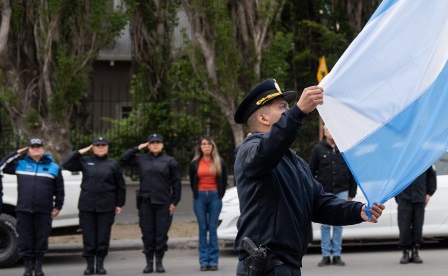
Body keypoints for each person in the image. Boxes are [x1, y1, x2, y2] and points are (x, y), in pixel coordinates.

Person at [233, 78, 385, 276]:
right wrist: (298, 111)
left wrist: (359, 211)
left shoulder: (293, 161)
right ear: (263, 118)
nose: (288, 111)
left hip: (289, 266)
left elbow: (318, 203)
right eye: (282, 107)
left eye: (289, 107)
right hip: (265, 267)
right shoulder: (249, 150)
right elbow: (266, 151)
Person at [63, 136, 126, 275]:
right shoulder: (85, 161)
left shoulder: (113, 164)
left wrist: (119, 204)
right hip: (87, 206)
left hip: (106, 206)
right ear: (93, 147)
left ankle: (100, 265)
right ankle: (90, 265)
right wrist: (80, 152)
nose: (100, 147)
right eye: (97, 145)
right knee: (89, 237)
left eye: (103, 145)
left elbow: (120, 186)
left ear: (107, 147)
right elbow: (66, 164)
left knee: (103, 236)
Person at [1, 138, 64, 276]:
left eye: (38, 147)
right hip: (24, 210)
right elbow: (2, 166)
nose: (36, 149)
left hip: (44, 211)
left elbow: (60, 190)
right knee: (25, 240)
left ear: (43, 149)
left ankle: (39, 268)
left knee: (41, 240)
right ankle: (28, 268)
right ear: (28, 149)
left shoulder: (54, 167)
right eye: (33, 147)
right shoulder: (20, 165)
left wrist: (58, 206)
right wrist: (17, 153)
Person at [120, 133, 181, 274]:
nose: (155, 144)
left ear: (162, 145)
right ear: (148, 145)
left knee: (161, 234)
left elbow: (176, 184)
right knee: (147, 233)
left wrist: (174, 202)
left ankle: (159, 262)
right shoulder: (141, 159)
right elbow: (123, 158)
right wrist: (137, 148)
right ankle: (148, 263)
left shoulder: (169, 161)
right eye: (152, 142)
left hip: (163, 203)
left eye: (157, 142)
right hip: (145, 203)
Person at [309, 126, 358, 267]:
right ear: (324, 132)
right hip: (324, 191)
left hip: (342, 190)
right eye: (328, 129)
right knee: (324, 225)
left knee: (339, 224)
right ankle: (325, 255)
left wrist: (351, 193)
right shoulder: (318, 149)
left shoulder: (343, 148)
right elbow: (311, 172)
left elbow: (351, 172)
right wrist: (312, 191)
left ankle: (336, 255)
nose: (331, 131)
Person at [188, 136, 228, 272]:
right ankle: (204, 261)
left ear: (212, 147)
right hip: (199, 197)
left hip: (214, 197)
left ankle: (213, 261)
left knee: (212, 229)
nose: (206, 146)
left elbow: (224, 180)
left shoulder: (219, 162)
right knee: (202, 229)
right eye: (203, 144)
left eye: (209, 144)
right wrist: (197, 194)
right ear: (200, 147)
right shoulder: (194, 163)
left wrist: (219, 195)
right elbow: (192, 180)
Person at [395, 165, 437, 264]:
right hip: (404, 198)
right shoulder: (401, 159)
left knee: (418, 226)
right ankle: (405, 252)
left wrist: (429, 193)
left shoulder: (425, 158)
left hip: (419, 197)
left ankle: (415, 252)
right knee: (404, 226)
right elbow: (394, 178)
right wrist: (397, 196)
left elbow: (432, 176)